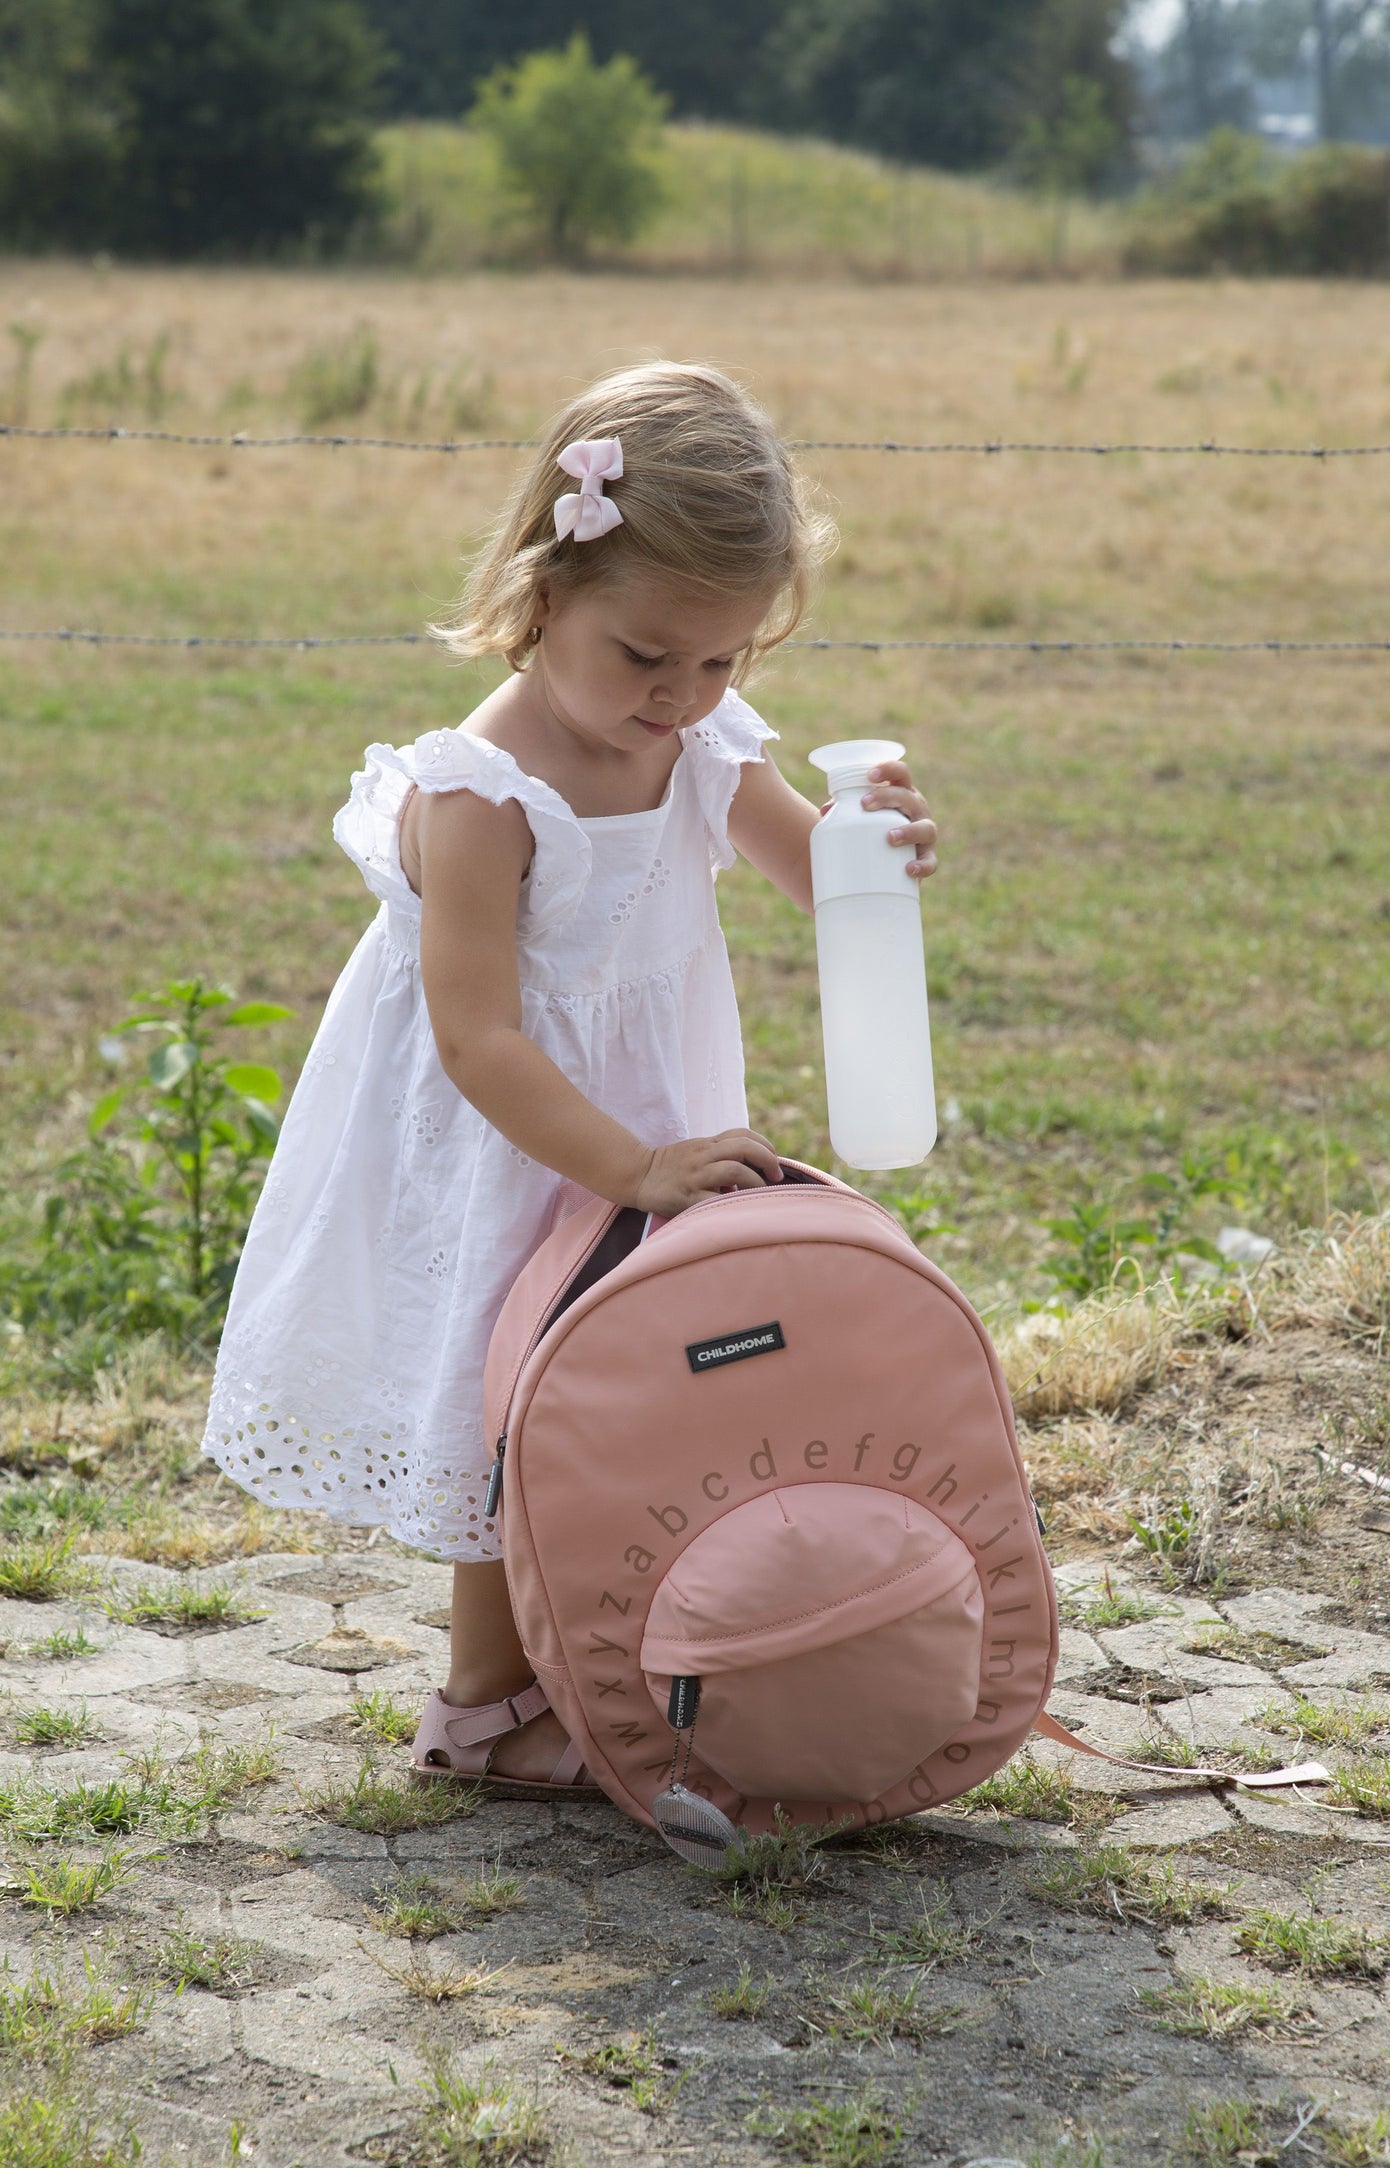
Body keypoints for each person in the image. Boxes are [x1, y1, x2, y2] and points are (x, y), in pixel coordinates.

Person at [202, 361, 939, 1792]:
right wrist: (629, 1170)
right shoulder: (480, 791)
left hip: (643, 1112)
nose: (680, 697)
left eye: (721, 662)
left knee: (635, 1385)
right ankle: (482, 1706)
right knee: (512, 1396)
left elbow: (805, 870)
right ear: (543, 599)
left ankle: (596, 1656)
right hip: (510, 1133)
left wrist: (874, 849)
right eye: (645, 656)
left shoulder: (699, 741)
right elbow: (476, 1035)